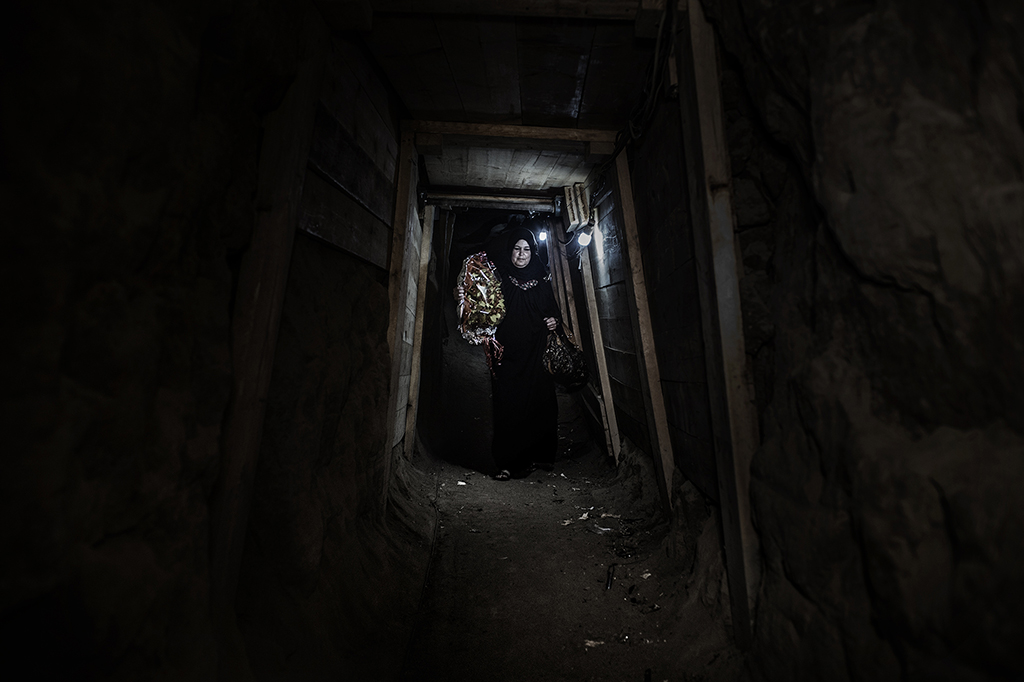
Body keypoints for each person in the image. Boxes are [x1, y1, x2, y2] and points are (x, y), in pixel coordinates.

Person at [487, 226, 561, 480]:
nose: (521, 254)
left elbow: (553, 311)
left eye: (527, 249)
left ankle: (537, 457)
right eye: (517, 249)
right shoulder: (500, 278)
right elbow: (484, 308)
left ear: (533, 252)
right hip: (507, 356)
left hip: (537, 355)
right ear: (510, 251)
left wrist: (553, 321)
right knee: (508, 406)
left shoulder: (542, 278)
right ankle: (507, 464)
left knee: (538, 403)